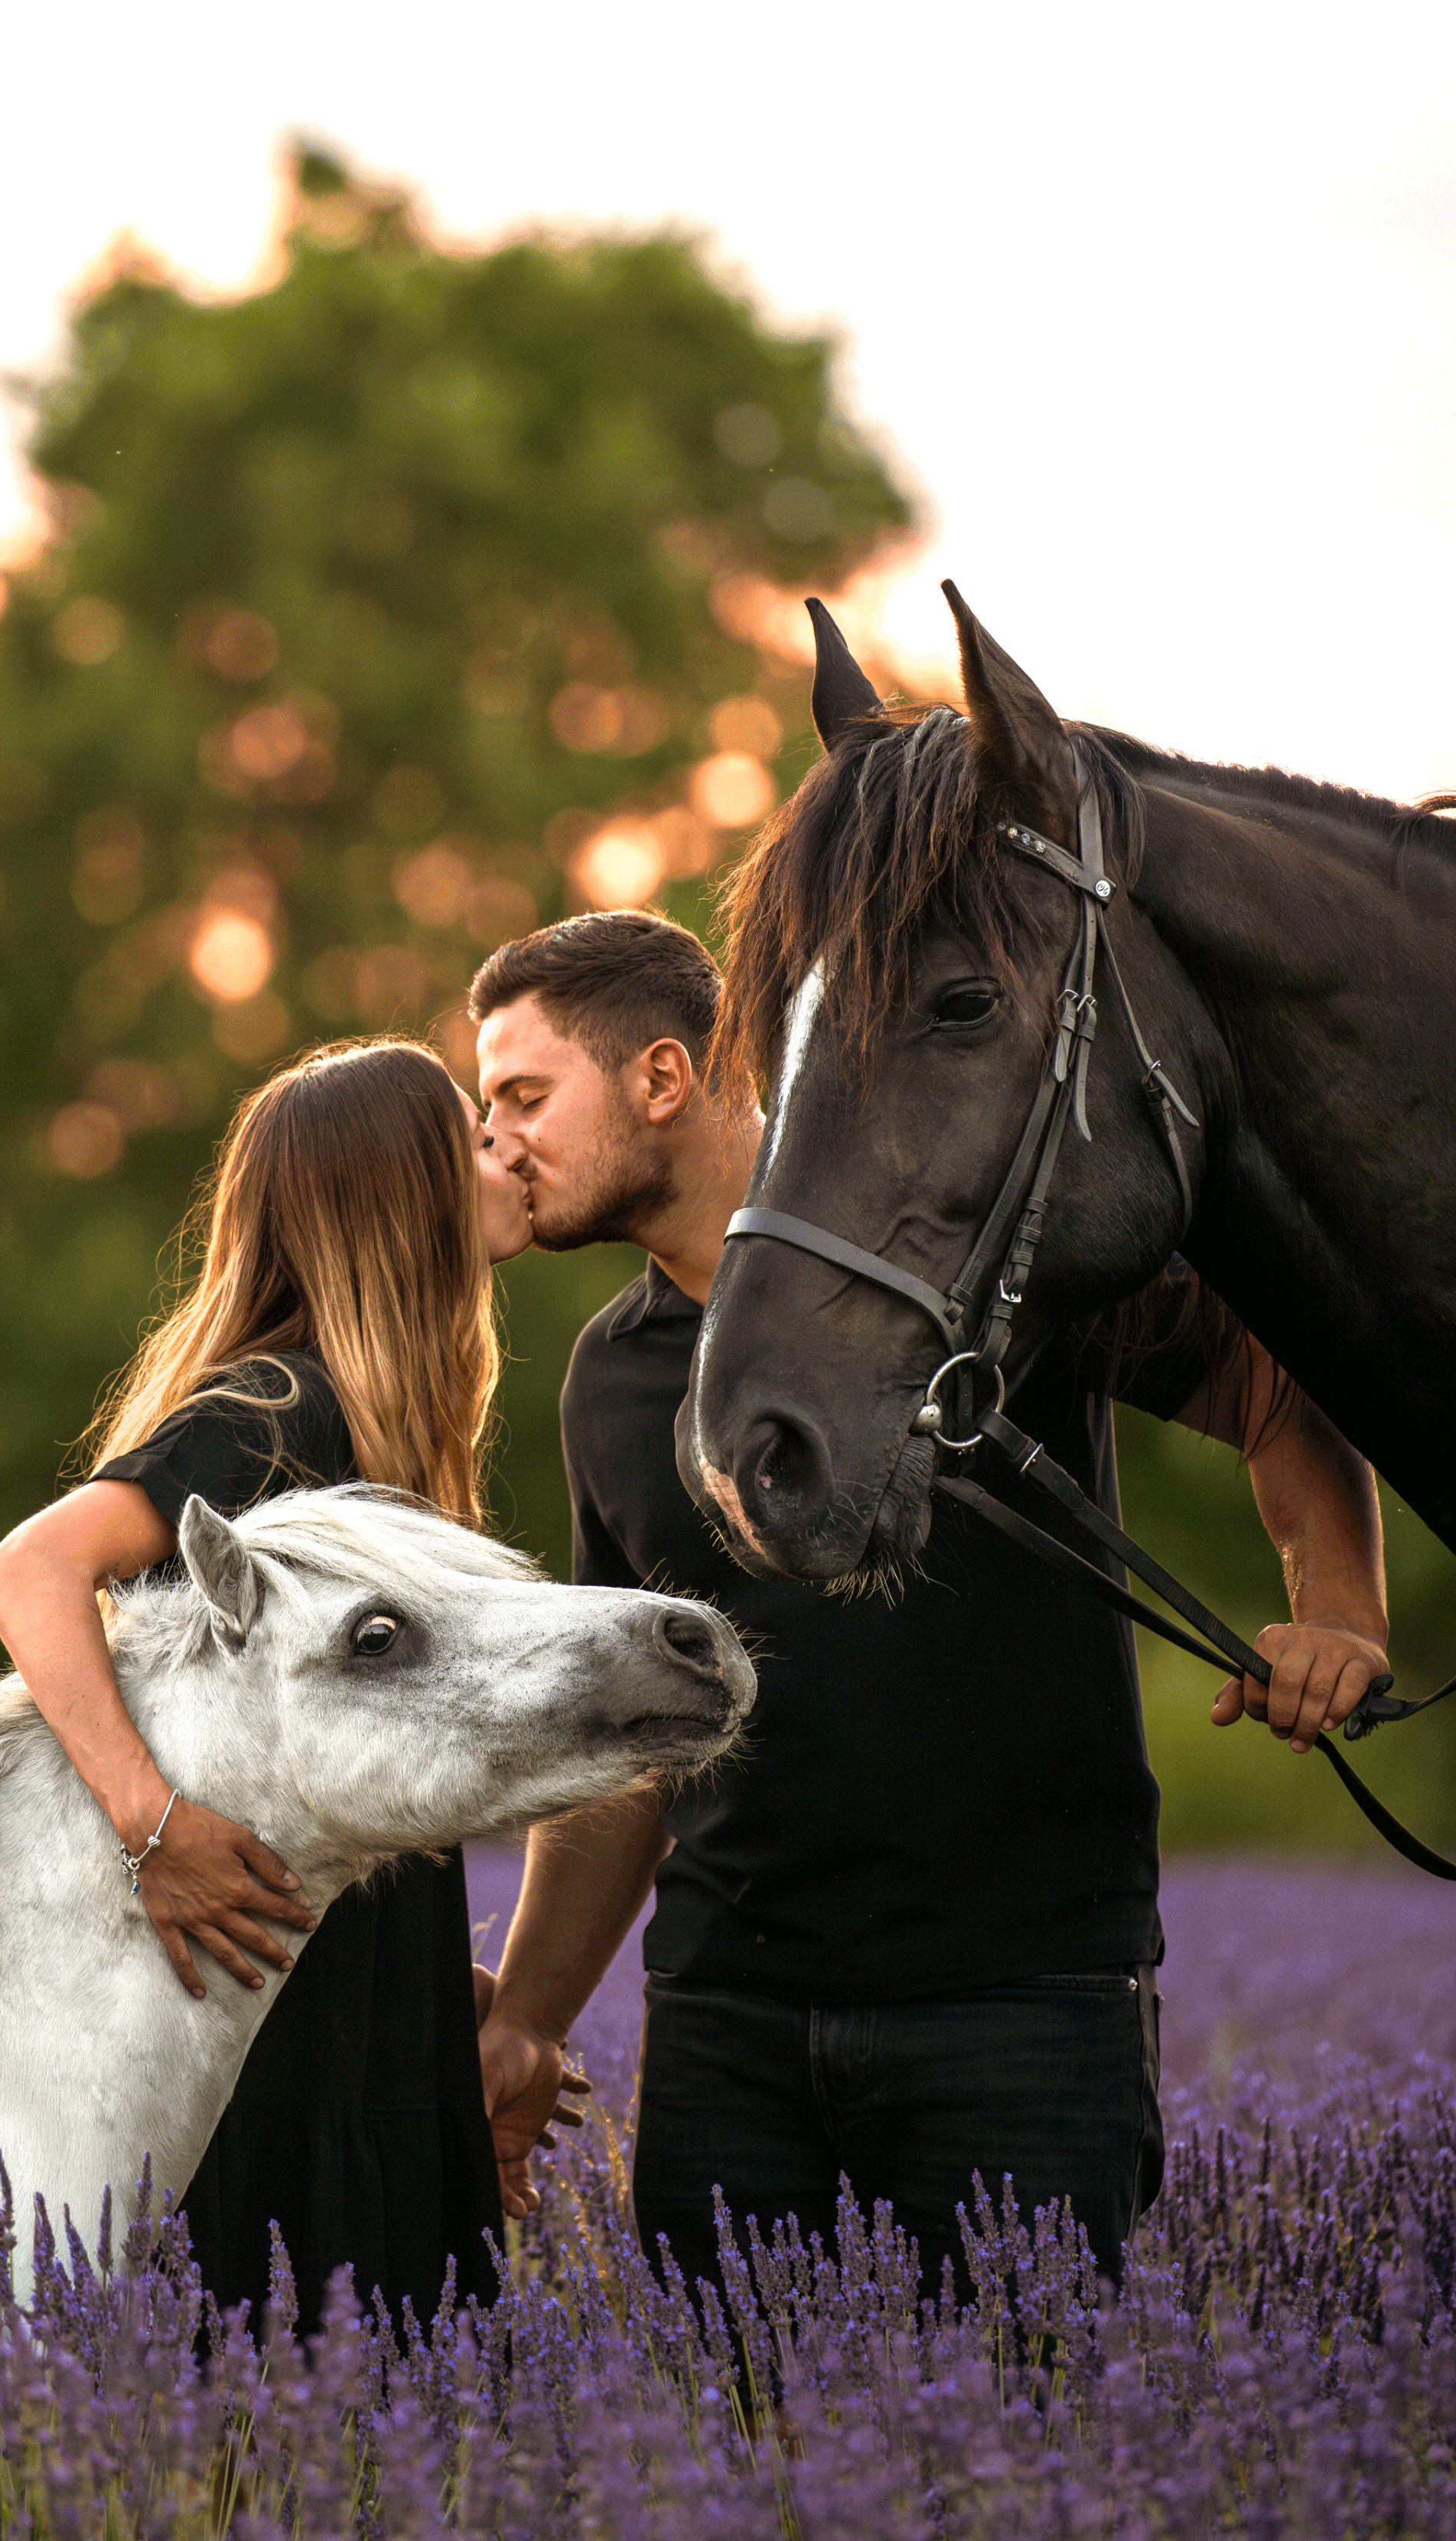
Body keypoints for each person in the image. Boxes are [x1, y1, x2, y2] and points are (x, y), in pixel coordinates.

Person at [467, 909, 1389, 2304]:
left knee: (1025, 2459)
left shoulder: (963, 1255)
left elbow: (1271, 1377)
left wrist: (1339, 1608)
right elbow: (633, 1744)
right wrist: (525, 2023)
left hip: (1019, 2006)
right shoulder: (610, 1378)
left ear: (663, 1075)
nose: (495, 1141)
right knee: (750, 2476)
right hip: (729, 2029)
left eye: (523, 1096)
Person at [0, 1037, 535, 2329]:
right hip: (287, 2076)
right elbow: (29, 1569)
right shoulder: (277, 1408)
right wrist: (152, 1826)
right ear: (401, 1193)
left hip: (354, 2033)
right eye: (471, 1128)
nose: (503, 1145)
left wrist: (441, 1981)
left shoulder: (374, 1423)